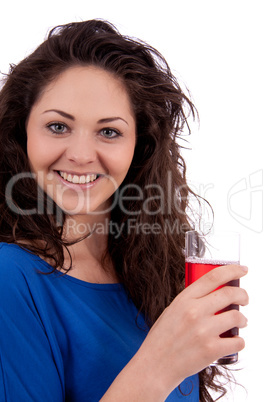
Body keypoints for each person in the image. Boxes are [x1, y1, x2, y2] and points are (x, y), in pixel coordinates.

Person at [0, 19, 248, 401]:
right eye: (57, 127)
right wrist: (160, 363)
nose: (81, 155)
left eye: (109, 132)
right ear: (23, 131)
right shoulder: (11, 277)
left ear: (139, 148)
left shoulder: (155, 268)